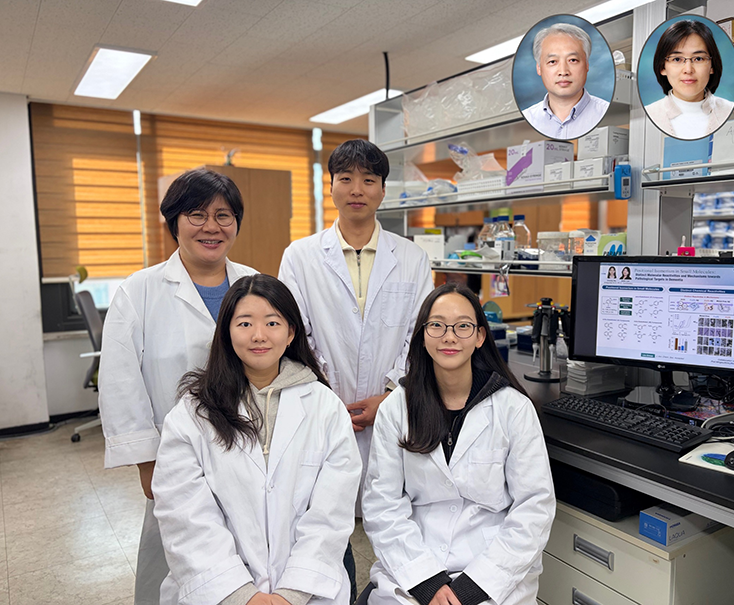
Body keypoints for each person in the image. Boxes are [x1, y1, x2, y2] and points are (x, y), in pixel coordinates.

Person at [278, 139, 434, 601]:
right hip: (323, 408)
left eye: (369, 179)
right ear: (331, 187)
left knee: (396, 519)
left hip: (393, 408)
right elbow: (294, 333)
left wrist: (391, 395)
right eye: (345, 178)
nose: (356, 189)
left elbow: (419, 334)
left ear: (382, 190)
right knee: (322, 522)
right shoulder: (300, 256)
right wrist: (326, 396)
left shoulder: (412, 257)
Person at [98, 168, 257, 605]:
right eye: (196, 215)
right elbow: (120, 382)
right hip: (175, 457)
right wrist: (146, 462)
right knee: (176, 561)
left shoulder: (254, 284)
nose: (211, 227)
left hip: (249, 449)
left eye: (223, 216)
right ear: (174, 222)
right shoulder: (140, 290)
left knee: (250, 555)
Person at [152, 274, 361, 605]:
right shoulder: (192, 413)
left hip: (306, 591)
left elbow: (330, 514)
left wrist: (290, 594)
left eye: (272, 323)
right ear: (226, 332)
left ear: (291, 333)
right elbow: (185, 516)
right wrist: (242, 596)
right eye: (245, 323)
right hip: (218, 591)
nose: (259, 335)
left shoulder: (326, 408)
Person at [361, 283, 556, 604]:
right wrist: (427, 583)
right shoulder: (397, 407)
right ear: (422, 336)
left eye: (462, 326)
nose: (449, 337)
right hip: (413, 566)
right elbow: (382, 505)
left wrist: (471, 588)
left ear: (480, 337)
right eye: (437, 325)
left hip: (493, 574)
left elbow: (533, 509)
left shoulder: (513, 408)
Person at [644, 19, 734, 140]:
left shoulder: (729, 110)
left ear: (712, 66)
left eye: (698, 59)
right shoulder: (648, 115)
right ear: (663, 67)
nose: (688, 69)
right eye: (677, 59)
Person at [522, 22, 610, 140]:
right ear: (539, 68)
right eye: (553, 61)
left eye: (572, 60)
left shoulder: (606, 112)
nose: (563, 72)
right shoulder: (527, 119)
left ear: (586, 65)